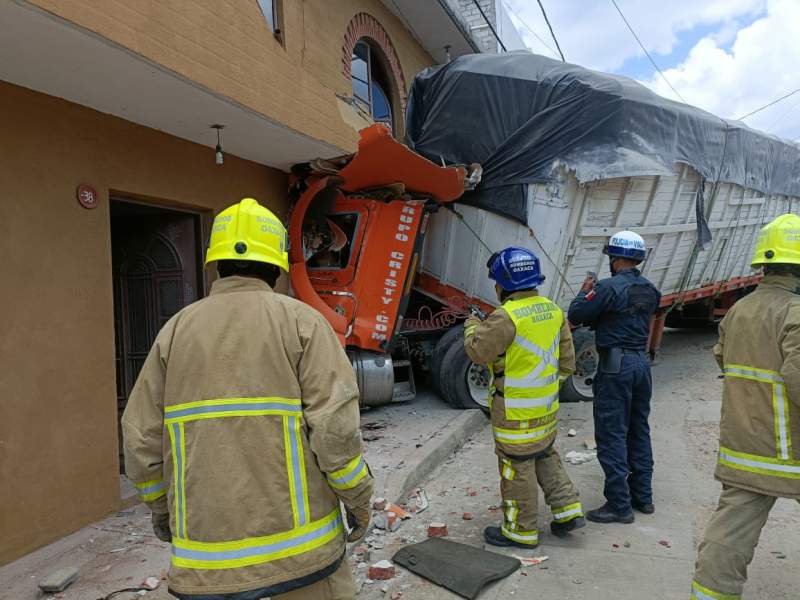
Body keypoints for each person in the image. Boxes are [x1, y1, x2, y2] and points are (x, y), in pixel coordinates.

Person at [122, 198, 372, 600]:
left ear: (216, 265)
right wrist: (359, 499)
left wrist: (162, 510)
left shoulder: (174, 332)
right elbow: (335, 433)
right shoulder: (303, 323)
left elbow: (140, 441)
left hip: (206, 566)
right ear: (276, 267)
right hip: (303, 561)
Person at [690, 213, 800, 600]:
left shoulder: (741, 309)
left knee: (730, 532)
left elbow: (724, 360)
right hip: (790, 448)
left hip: (744, 444)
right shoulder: (795, 312)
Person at [464, 246, 584, 549]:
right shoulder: (554, 310)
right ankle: (568, 511)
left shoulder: (505, 317)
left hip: (514, 413)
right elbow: (567, 363)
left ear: (502, 284)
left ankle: (521, 530)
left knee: (516, 466)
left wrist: (471, 328)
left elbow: (478, 352)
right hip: (546, 409)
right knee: (544, 454)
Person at [567, 230, 660, 524]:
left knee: (611, 433)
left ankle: (619, 504)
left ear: (616, 258)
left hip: (615, 367)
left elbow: (577, 312)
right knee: (638, 429)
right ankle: (642, 497)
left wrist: (585, 290)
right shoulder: (650, 289)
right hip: (641, 366)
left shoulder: (607, 287)